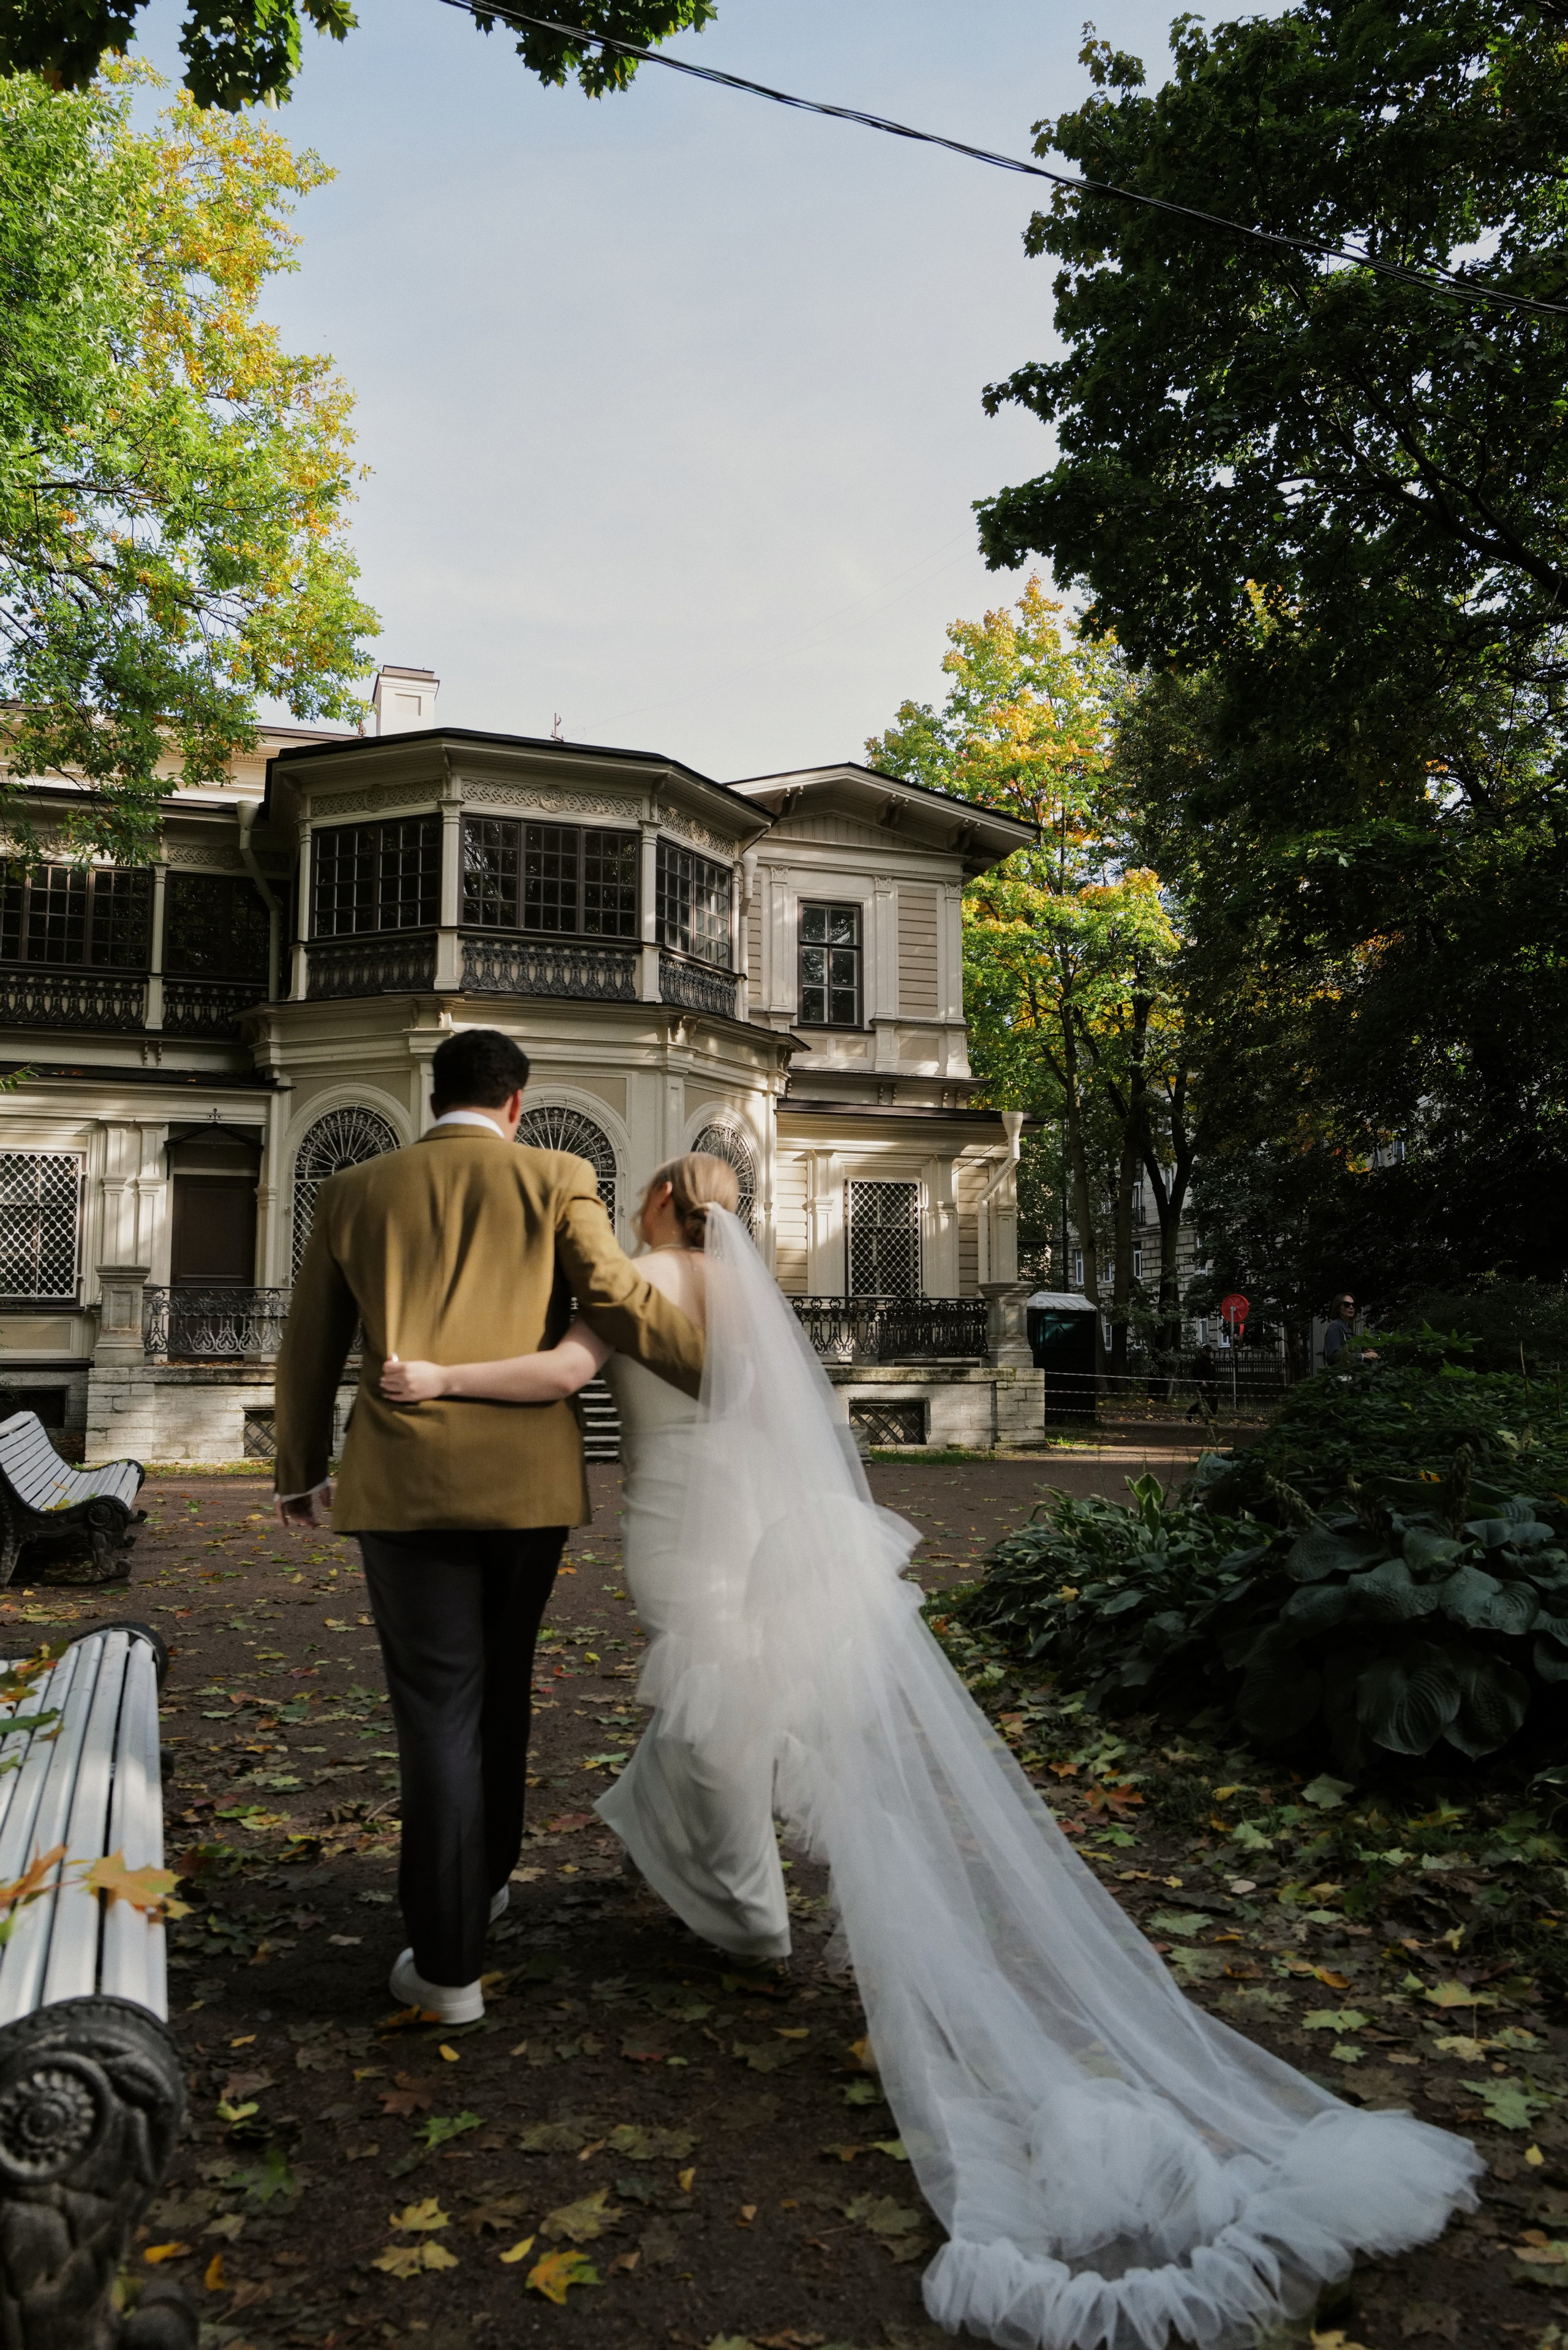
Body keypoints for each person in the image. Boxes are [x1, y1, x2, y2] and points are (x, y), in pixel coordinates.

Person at [383, 1159, 1482, 2350]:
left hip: (681, 1528)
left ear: (659, 1202)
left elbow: (561, 1372)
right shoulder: (752, 1292)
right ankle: (698, 1860)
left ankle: (743, 1908)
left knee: (716, 1707)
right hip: (760, 1519)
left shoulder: (636, 1276)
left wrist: (437, 1374)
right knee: (743, 1707)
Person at [271, 1029, 704, 2028]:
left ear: (437, 1096)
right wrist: (726, 1368)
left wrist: (299, 1468)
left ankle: (450, 1959)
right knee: (501, 1684)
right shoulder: (560, 1173)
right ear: (516, 1101)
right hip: (529, 1489)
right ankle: (491, 1878)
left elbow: (310, 1346)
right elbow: (613, 1292)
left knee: (437, 1709)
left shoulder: (357, 1188)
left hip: (403, 1481)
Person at [1324, 1293, 1358, 1367]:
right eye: (1347, 1304)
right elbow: (1334, 1356)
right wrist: (1362, 1356)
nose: (1351, 1307)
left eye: (1354, 1305)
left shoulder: (1348, 1328)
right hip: (1342, 1375)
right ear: (1338, 1307)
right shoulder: (1336, 1327)